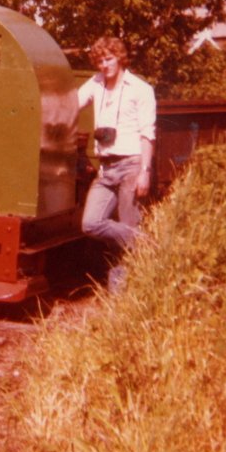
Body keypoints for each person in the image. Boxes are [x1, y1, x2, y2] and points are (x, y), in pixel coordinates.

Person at [77, 37, 156, 288]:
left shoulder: (140, 88)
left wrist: (145, 171)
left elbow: (147, 133)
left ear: (120, 58)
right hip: (106, 167)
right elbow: (73, 104)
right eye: (99, 60)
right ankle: (146, 241)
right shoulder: (95, 84)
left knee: (125, 234)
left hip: (131, 165)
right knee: (91, 223)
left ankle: (120, 297)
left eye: (108, 59)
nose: (104, 65)